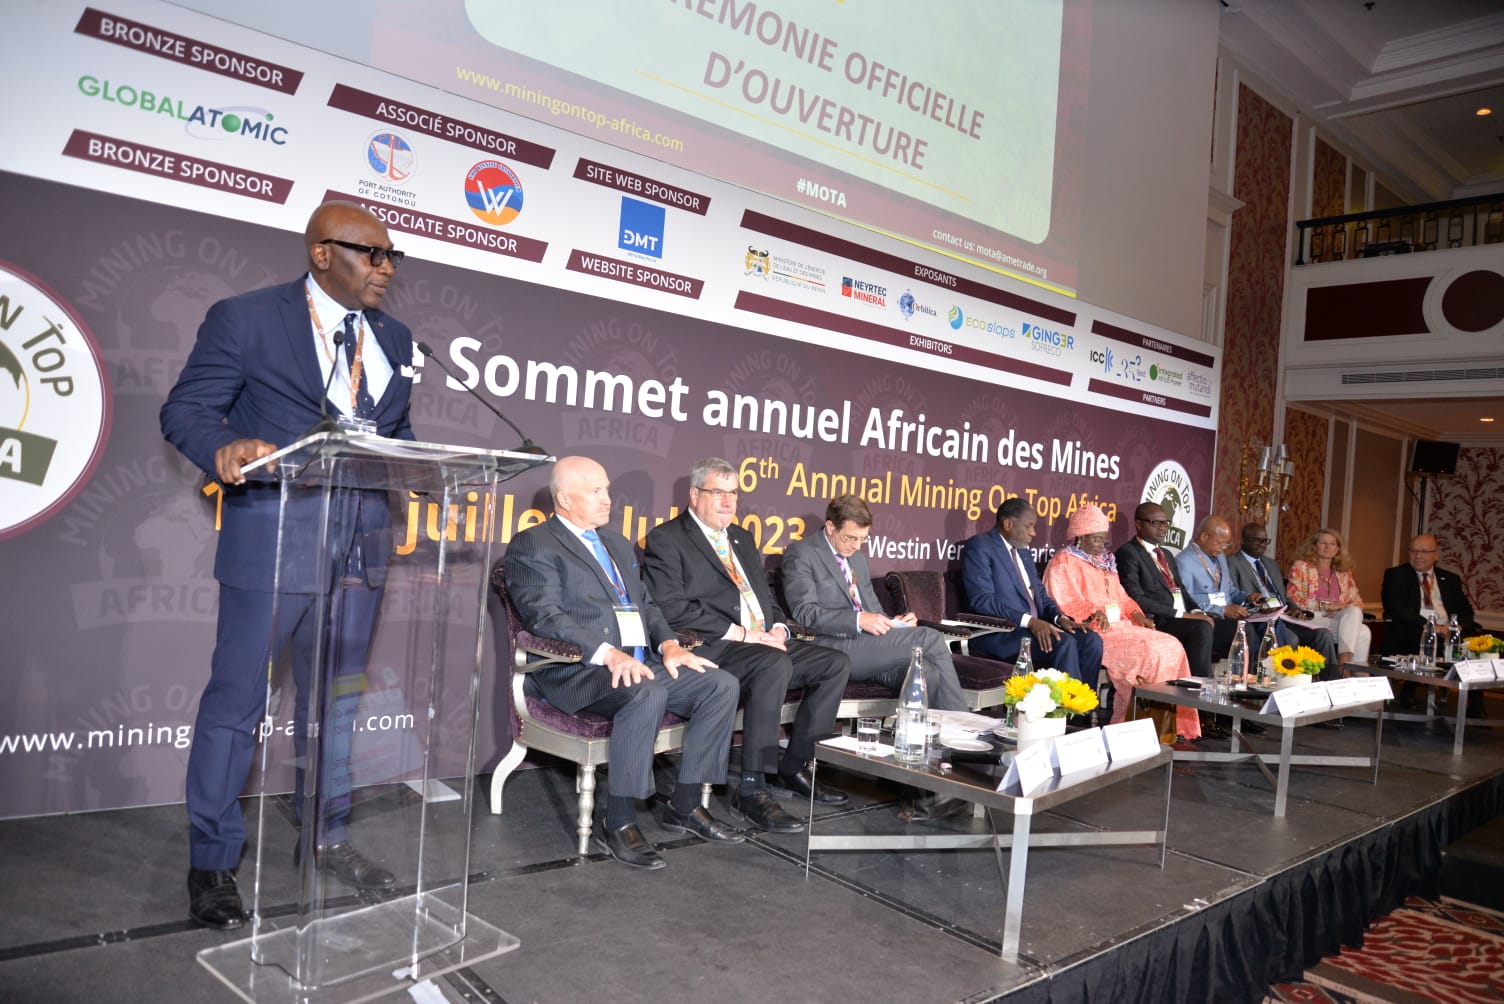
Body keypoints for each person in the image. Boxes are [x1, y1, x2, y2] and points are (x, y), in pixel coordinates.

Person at [161, 201, 415, 930]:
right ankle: (212, 859)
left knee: (335, 705)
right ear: (321, 253)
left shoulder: (395, 338)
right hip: (274, 540)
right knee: (237, 703)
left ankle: (326, 836)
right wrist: (222, 447)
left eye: (392, 256)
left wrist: (419, 468)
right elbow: (185, 410)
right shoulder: (244, 319)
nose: (385, 268)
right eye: (370, 253)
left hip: (360, 546)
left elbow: (394, 431)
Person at [504, 456, 742, 870]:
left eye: (607, 490)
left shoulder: (615, 543)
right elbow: (545, 616)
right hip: (580, 670)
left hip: (639, 662)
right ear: (565, 498)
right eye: (596, 491)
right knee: (644, 692)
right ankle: (618, 821)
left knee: (720, 685)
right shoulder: (534, 544)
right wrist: (607, 652)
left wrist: (669, 644)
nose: (607, 499)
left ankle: (685, 806)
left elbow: (645, 605)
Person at [643, 458, 852, 829]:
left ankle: (792, 767)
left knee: (834, 664)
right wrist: (743, 634)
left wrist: (779, 629)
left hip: (762, 641)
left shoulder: (742, 537)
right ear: (694, 495)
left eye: (734, 493)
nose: (728, 501)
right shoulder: (667, 539)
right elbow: (672, 609)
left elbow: (763, 599)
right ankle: (752, 789)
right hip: (715, 646)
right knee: (773, 664)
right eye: (718, 492)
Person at [781, 495, 967, 711]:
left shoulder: (858, 559)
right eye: (850, 538)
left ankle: (915, 732)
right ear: (831, 527)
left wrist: (896, 623)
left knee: (926, 672)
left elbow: (873, 608)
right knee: (930, 638)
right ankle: (961, 723)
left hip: (869, 647)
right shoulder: (802, 553)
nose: (856, 546)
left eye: (863, 539)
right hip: (830, 645)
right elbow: (805, 612)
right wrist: (859, 620)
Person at [1042, 505, 1200, 739]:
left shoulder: (1106, 561)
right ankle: (1133, 726)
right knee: (1150, 652)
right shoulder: (1064, 561)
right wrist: (1093, 612)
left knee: (1171, 644)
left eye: (1104, 539)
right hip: (1096, 629)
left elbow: (1122, 597)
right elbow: (1063, 599)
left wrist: (1136, 614)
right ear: (1080, 536)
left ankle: (1167, 725)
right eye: (1096, 539)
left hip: (1124, 625)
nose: (1101, 545)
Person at [959, 498, 1103, 690]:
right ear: (1008, 524)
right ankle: (1068, 706)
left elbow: (1040, 595)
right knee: (1064, 642)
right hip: (1001, 633)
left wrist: (1060, 618)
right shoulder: (980, 546)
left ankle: (1085, 704)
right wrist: (1030, 622)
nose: (1033, 533)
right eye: (1029, 526)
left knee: (1091, 640)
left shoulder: (1023, 552)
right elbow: (982, 601)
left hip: (1033, 628)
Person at [1115, 502, 1217, 677]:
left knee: (1236, 628)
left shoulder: (1166, 554)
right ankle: (1199, 688)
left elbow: (1181, 589)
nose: (1163, 528)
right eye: (1156, 523)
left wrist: (1197, 611)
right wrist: (1184, 615)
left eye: (1165, 523)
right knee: (1201, 628)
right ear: (1139, 524)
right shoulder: (1128, 553)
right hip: (1160, 620)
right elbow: (1136, 598)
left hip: (1184, 617)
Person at [1229, 522, 1341, 678]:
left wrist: (1295, 609)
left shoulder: (1270, 563)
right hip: (1261, 617)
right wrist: (1261, 605)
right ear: (1243, 540)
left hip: (1285, 615)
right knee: (1291, 638)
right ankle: (1283, 684)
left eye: (1265, 541)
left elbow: (1283, 596)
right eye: (1257, 540)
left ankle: (1332, 683)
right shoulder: (1232, 562)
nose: (1262, 544)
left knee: (1323, 635)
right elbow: (1233, 594)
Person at [1174, 515, 1266, 661]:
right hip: (1207, 620)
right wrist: (1222, 610)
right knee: (1244, 629)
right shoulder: (1184, 561)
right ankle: (1242, 672)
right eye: (1220, 543)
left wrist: (1248, 597)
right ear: (1204, 536)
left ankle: (1248, 671)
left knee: (1263, 624)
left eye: (1226, 544)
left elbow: (1230, 590)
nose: (1223, 548)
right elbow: (1186, 603)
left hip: (1227, 617)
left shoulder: (1220, 557)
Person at [1380, 534, 1481, 656]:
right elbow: (1396, 608)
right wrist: (1430, 626)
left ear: (1436, 555)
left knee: (1477, 645)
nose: (1418, 556)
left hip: (1447, 631)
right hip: (1415, 630)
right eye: (1413, 551)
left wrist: (1456, 626)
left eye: (1425, 552)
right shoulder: (1396, 575)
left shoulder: (1450, 579)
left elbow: (1466, 611)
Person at [1286, 528, 1371, 669]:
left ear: (1337, 549)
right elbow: (1293, 598)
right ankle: (1352, 670)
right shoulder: (1301, 566)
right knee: (1363, 632)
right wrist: (1325, 605)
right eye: (1323, 543)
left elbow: (1356, 601)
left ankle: (1345, 663)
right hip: (1310, 617)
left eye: (1332, 544)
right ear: (1314, 546)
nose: (1328, 547)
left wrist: (1340, 608)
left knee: (1355, 611)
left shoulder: (1344, 572)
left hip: (1337, 617)